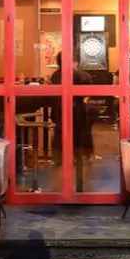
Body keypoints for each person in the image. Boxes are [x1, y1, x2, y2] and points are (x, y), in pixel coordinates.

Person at [51, 51, 96, 191]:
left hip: (59, 111)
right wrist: (83, 100)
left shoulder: (56, 75)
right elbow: (89, 91)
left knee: (61, 131)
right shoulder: (81, 75)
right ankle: (81, 156)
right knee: (80, 133)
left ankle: (59, 156)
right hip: (78, 111)